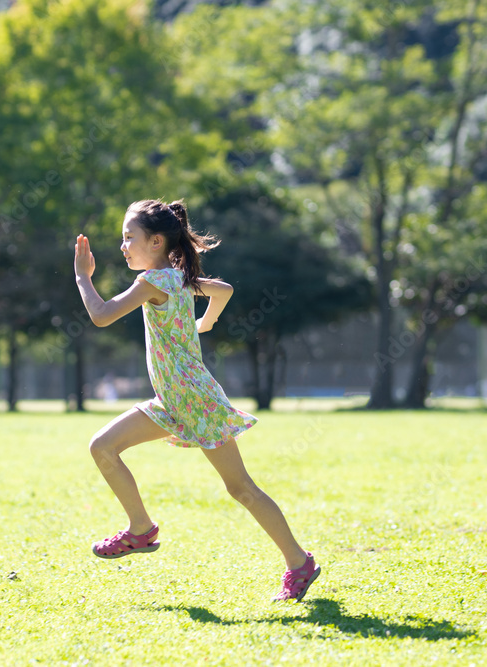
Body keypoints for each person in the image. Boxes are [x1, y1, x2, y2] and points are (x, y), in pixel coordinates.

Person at [73, 198, 320, 603]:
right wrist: (207, 320)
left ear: (155, 241)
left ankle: (299, 563)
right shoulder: (173, 278)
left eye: (128, 237)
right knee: (102, 447)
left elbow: (100, 315)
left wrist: (83, 277)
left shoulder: (154, 282)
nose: (122, 246)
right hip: (172, 399)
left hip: (192, 399)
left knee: (241, 488)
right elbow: (223, 289)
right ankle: (141, 530)